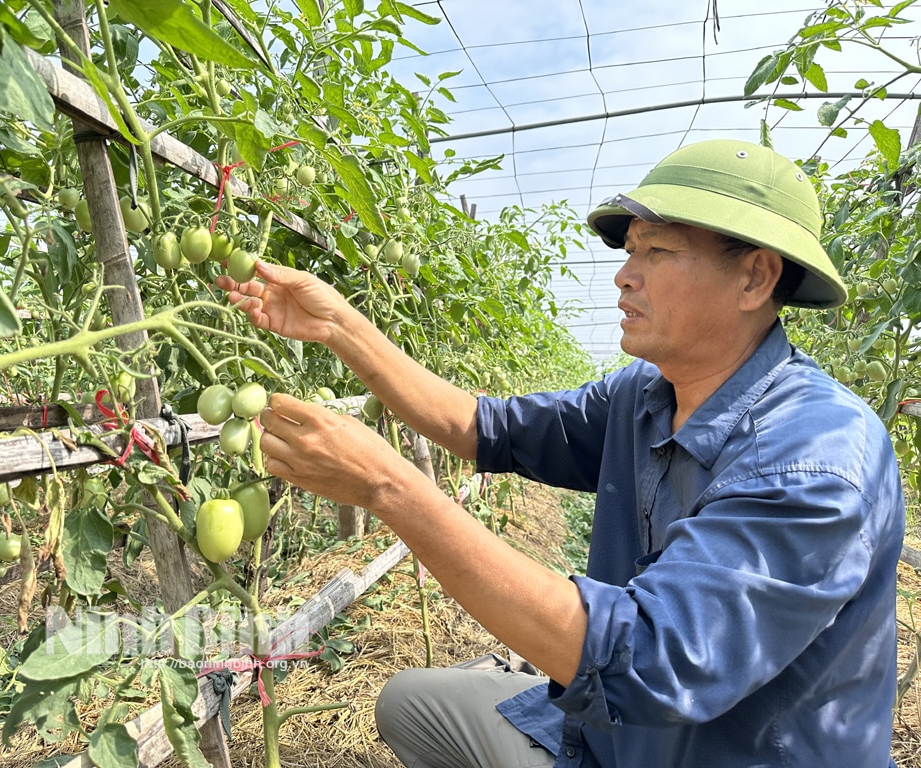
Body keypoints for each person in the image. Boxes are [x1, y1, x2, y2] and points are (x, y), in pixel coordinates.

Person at [216, 139, 905, 768]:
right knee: (410, 704)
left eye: (656, 253)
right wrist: (340, 326)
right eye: (627, 251)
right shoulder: (647, 395)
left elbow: (651, 661)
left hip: (713, 749)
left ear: (755, 278)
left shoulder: (817, 457)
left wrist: (387, 487)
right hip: (619, 741)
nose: (623, 277)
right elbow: (484, 427)